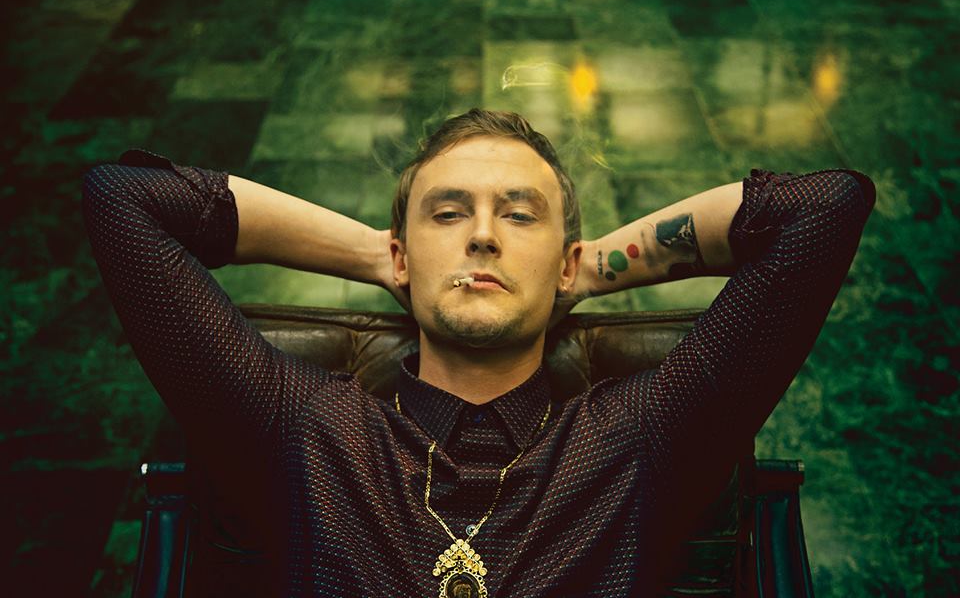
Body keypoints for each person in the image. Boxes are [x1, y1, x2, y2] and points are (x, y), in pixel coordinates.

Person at [82, 108, 875, 597]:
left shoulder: (636, 439)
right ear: (402, 254)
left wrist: (590, 268)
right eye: (448, 213)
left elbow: (823, 210)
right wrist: (377, 254)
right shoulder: (304, 430)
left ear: (565, 261)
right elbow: (124, 201)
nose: (484, 235)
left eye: (520, 215)